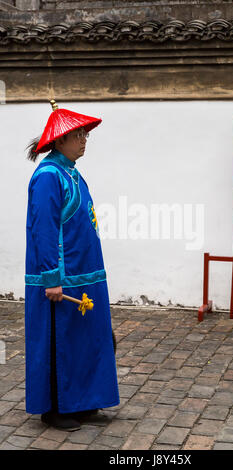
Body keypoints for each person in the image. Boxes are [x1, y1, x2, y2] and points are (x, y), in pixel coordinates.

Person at [24, 100, 120, 431]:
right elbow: (44, 229)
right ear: (59, 141)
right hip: (61, 279)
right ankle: (54, 409)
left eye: (84, 134)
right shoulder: (49, 176)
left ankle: (81, 401)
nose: (84, 140)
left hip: (85, 275)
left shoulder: (71, 173)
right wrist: (51, 278)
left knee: (84, 340)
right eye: (77, 135)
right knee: (58, 343)